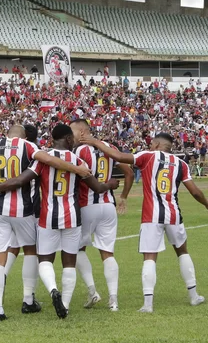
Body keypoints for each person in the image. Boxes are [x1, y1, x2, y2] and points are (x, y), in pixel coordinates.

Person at [0, 124, 118, 320]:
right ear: (69, 140)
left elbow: (22, 179)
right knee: (69, 262)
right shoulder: (78, 161)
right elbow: (97, 187)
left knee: (43, 260)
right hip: (72, 216)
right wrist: (110, 184)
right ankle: (63, 304)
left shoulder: (38, 159)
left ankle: (49, 290)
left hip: (45, 216)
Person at [80, 132, 208, 312]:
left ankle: (148, 304)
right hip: (173, 214)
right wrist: (207, 203)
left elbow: (119, 156)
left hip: (151, 215)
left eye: (152, 144)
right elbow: (195, 192)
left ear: (158, 145)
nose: (150, 146)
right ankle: (194, 296)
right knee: (182, 252)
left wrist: (96, 142)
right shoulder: (181, 164)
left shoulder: (148, 156)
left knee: (150, 257)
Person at [70, 119, 135, 311]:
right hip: (107, 205)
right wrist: (123, 196)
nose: (70, 136)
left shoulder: (79, 151)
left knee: (76, 249)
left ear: (82, 132)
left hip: (86, 204)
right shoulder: (109, 146)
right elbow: (129, 173)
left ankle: (93, 291)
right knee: (107, 253)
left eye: (72, 132)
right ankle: (113, 300)